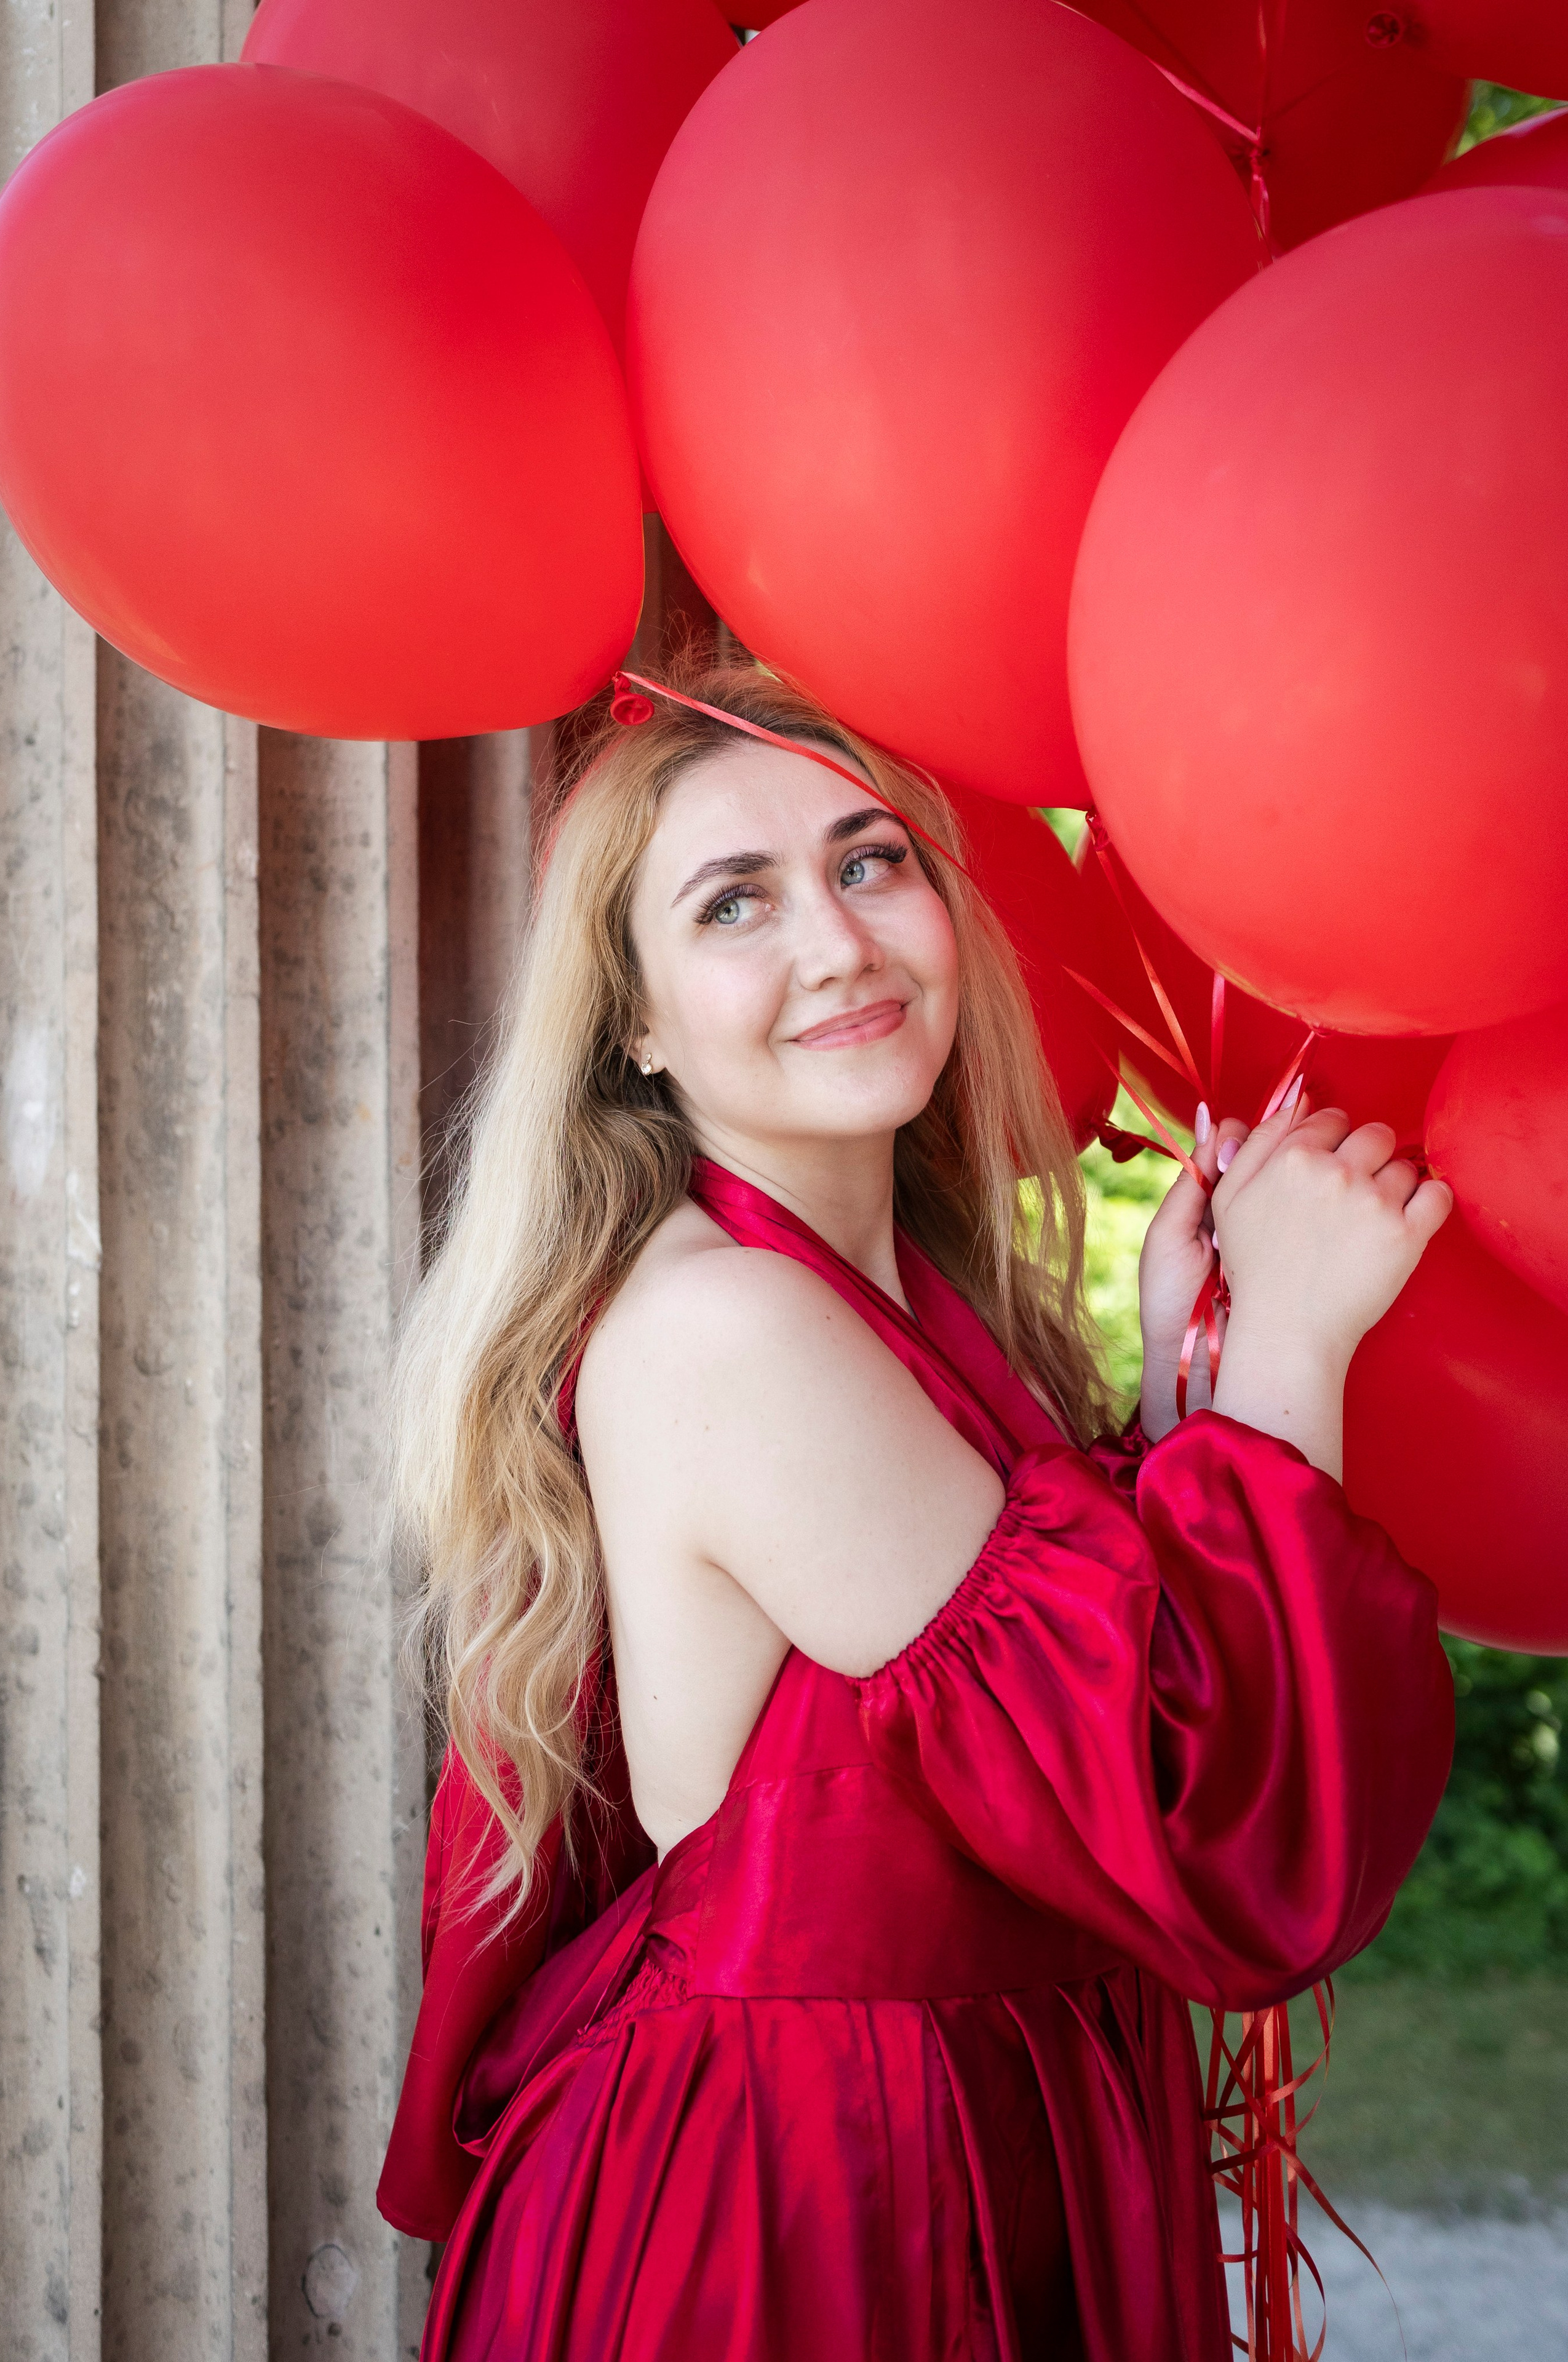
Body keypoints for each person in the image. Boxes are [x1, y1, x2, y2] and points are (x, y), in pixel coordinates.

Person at [378, 662, 1455, 2362]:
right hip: (815, 2208)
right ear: (635, 1022)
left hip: (963, 2131)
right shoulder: (727, 1327)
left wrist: (1183, 1386)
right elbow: (1198, 1830)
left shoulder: (924, 1300)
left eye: (872, 860)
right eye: (736, 902)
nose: (840, 940)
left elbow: (1071, 1687)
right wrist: (1296, 1359)